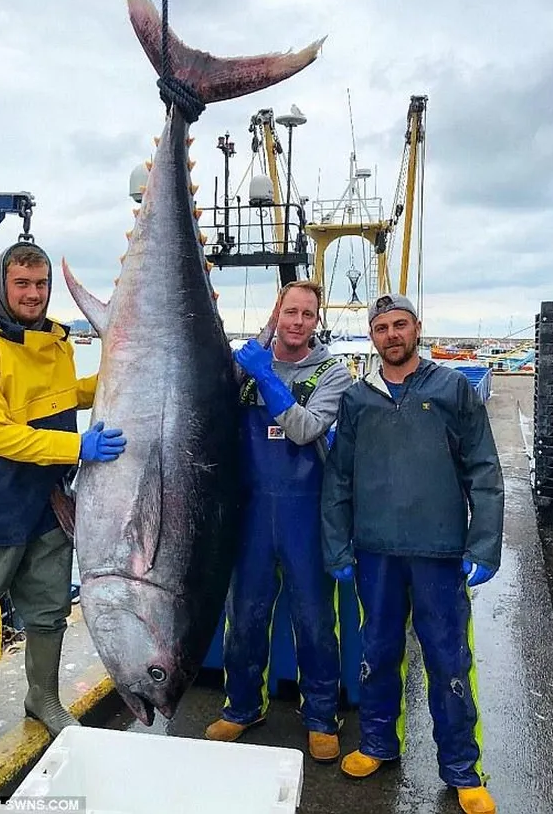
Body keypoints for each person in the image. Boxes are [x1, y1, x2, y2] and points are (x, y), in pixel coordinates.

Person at [0, 241, 126, 759]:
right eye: (22, 283)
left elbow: (57, 398)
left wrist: (114, 380)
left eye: (41, 284)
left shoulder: (53, 342)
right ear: (2, 284)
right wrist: (76, 446)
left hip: (47, 501)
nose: (34, 294)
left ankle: (42, 697)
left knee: (48, 608)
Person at [321, 293, 504, 814]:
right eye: (381, 328)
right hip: (375, 552)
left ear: (416, 328)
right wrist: (337, 545)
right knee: (376, 655)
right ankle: (377, 743)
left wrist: (484, 543)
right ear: (373, 337)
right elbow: (338, 479)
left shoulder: (452, 389)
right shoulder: (358, 399)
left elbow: (484, 471)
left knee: (450, 661)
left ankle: (463, 769)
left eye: (400, 325)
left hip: (439, 553)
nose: (392, 335)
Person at [205, 280, 352, 763]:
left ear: (316, 320)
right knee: (244, 618)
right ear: (278, 312)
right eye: (290, 312)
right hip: (250, 516)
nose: (297, 322)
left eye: (307, 315)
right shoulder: (244, 364)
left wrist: (264, 375)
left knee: (313, 620)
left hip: (306, 515)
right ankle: (243, 706)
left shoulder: (334, 372)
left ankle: (320, 717)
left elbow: (306, 428)